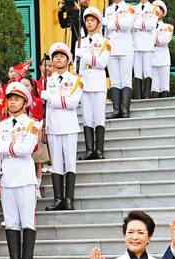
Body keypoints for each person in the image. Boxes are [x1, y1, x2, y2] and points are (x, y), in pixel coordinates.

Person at [0, 82, 40, 259]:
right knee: (11, 220)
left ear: (25, 102)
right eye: (10, 99)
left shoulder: (32, 124)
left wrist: (2, 146)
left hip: (24, 176)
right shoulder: (2, 125)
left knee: (27, 220)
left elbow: (26, 149)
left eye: (16, 100)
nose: (12, 103)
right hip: (7, 177)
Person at [41, 42, 83, 211]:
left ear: (68, 59)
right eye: (55, 57)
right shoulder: (47, 81)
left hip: (69, 125)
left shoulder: (75, 80)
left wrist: (52, 99)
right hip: (53, 126)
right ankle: (58, 200)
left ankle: (69, 199)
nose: (58, 59)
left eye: (62, 56)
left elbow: (72, 102)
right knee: (56, 164)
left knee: (70, 163)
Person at [75, 7, 111, 161]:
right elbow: (78, 65)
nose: (89, 23)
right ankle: (89, 151)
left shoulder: (104, 41)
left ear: (98, 23)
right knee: (87, 117)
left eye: (92, 20)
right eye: (87, 20)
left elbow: (102, 63)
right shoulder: (80, 42)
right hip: (85, 81)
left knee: (99, 117)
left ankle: (99, 150)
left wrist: (85, 55)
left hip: (97, 80)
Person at [104, 0, 136, 118]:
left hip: (125, 47)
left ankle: (125, 109)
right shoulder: (108, 10)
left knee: (126, 79)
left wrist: (109, 23)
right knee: (115, 80)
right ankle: (116, 110)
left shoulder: (130, 8)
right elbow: (106, 31)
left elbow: (127, 24)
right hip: (112, 48)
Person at [132, 0, 158, 99]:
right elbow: (130, 24)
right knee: (137, 70)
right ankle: (138, 96)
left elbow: (151, 25)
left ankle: (147, 95)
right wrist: (143, 24)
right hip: (136, 42)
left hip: (147, 42)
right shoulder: (133, 9)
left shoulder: (154, 8)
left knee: (147, 70)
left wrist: (137, 23)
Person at [152, 1, 173, 98]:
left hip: (163, 58)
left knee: (164, 85)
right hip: (152, 58)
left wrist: (152, 40)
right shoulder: (149, 27)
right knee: (154, 86)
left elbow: (165, 39)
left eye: (159, 10)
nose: (157, 12)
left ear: (163, 13)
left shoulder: (168, 27)